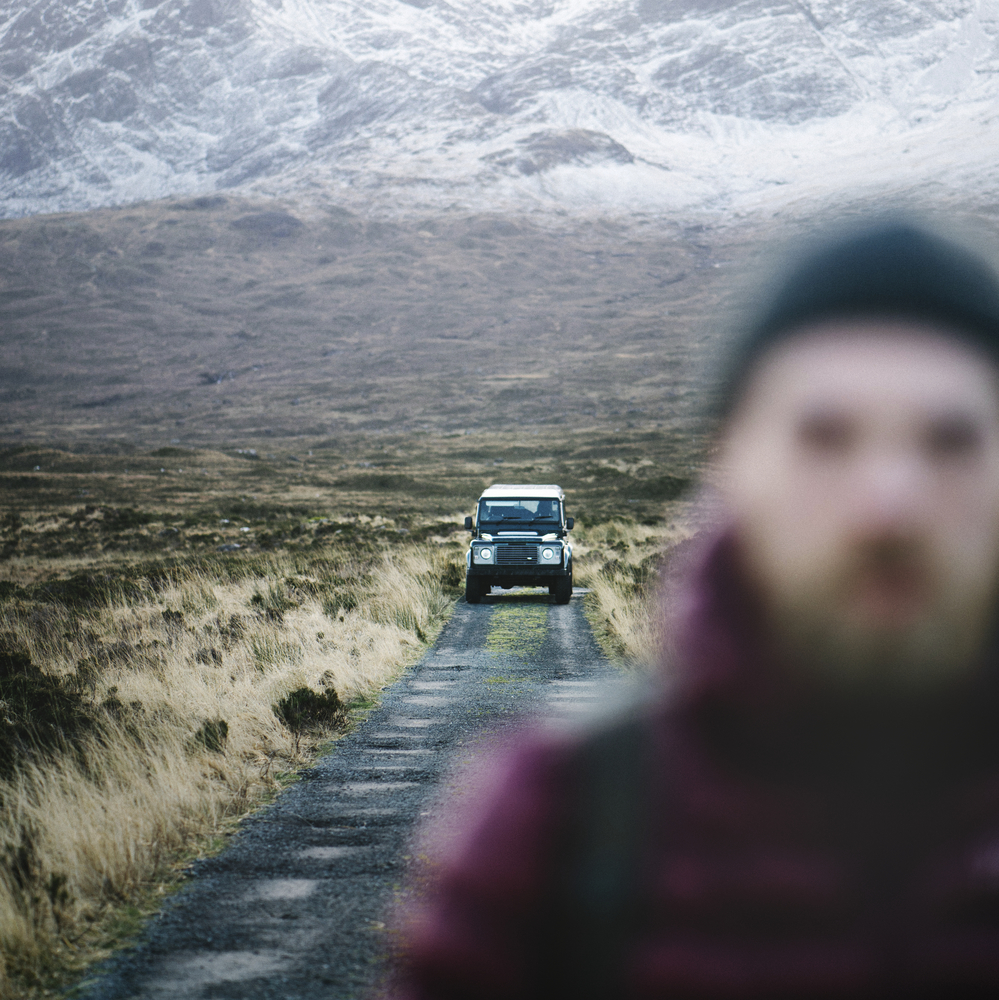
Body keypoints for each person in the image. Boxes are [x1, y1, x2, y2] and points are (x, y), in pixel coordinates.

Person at [387, 222, 999, 998]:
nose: (887, 506)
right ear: (726, 459)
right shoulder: (559, 819)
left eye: (950, 440)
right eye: (824, 437)